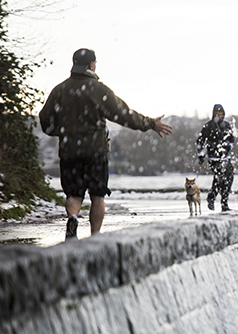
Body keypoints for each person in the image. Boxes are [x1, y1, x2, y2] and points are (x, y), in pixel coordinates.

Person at [39, 48, 173, 241]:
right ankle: (95, 237)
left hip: (69, 151)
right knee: (97, 195)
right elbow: (123, 114)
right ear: (92, 65)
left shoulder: (60, 90)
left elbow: (45, 120)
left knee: (74, 195)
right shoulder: (99, 90)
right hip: (96, 151)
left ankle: (73, 218)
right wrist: (151, 124)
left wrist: (62, 131)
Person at [196, 104, 235, 211]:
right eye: (218, 114)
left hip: (225, 157)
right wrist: (201, 154)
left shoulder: (226, 125)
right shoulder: (208, 126)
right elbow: (200, 141)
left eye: (222, 115)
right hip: (214, 158)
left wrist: (230, 145)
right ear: (214, 114)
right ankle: (212, 198)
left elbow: (232, 138)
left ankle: (224, 203)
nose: (220, 116)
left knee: (229, 177)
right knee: (219, 177)